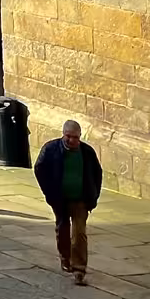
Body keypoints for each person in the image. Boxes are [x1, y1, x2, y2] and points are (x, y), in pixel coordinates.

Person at [34, 119, 103, 285]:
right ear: (63, 134)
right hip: (60, 199)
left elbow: (97, 174)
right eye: (69, 136)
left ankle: (79, 268)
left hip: (80, 199)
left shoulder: (87, 152)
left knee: (79, 232)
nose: (72, 141)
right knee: (63, 228)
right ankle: (65, 258)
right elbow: (39, 169)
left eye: (76, 137)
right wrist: (49, 193)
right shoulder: (51, 149)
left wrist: (93, 196)